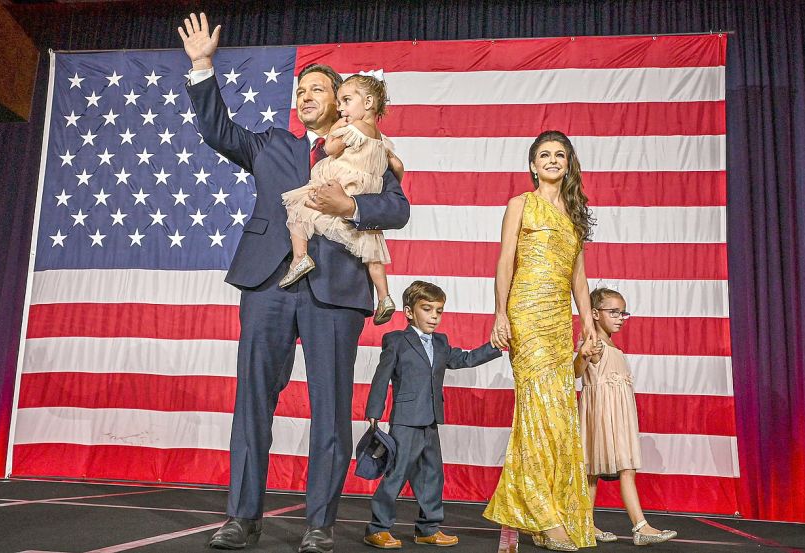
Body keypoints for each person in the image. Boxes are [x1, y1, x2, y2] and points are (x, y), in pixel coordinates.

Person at [178, 13, 411, 553]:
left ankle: (319, 526)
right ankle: (242, 518)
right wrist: (202, 66)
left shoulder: (368, 145)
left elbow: (398, 209)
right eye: (301, 90)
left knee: (329, 409)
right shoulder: (272, 146)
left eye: (318, 90)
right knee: (253, 402)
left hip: (336, 290)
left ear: (342, 100)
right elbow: (217, 130)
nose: (305, 96)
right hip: (268, 284)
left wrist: (352, 204)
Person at [483, 130, 599, 551]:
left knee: (559, 415)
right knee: (536, 408)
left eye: (560, 155)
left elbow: (579, 277)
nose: (552, 160)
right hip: (527, 314)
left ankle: (549, 514)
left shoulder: (574, 211)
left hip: (557, 320)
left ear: (568, 163)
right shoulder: (520, 204)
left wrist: (587, 323)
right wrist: (500, 313)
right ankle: (544, 519)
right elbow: (504, 261)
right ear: (533, 165)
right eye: (544, 155)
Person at [363, 280, 501, 549]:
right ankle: (377, 528)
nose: (434, 316)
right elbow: (381, 377)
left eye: (439, 310)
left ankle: (428, 528)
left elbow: (465, 359)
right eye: (427, 309)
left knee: (432, 475)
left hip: (431, 420)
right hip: (405, 420)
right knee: (396, 474)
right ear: (409, 312)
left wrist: (495, 346)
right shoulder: (396, 340)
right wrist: (374, 412)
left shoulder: (441, 342)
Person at [279, 73, 403, 326]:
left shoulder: (351, 129)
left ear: (367, 103)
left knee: (299, 208)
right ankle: (384, 297)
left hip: (340, 182)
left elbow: (331, 149)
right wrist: (379, 182)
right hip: (366, 188)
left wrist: (334, 132)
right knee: (373, 253)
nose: (341, 108)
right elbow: (397, 165)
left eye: (346, 100)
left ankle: (300, 257)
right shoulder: (381, 139)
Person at [574, 288, 678, 546]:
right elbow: (576, 372)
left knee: (593, 472)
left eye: (623, 313)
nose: (620, 318)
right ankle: (640, 526)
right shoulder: (594, 342)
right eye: (614, 312)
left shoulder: (609, 343)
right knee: (623, 469)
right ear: (595, 314)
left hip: (617, 412)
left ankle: (585, 525)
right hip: (603, 413)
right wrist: (583, 354)